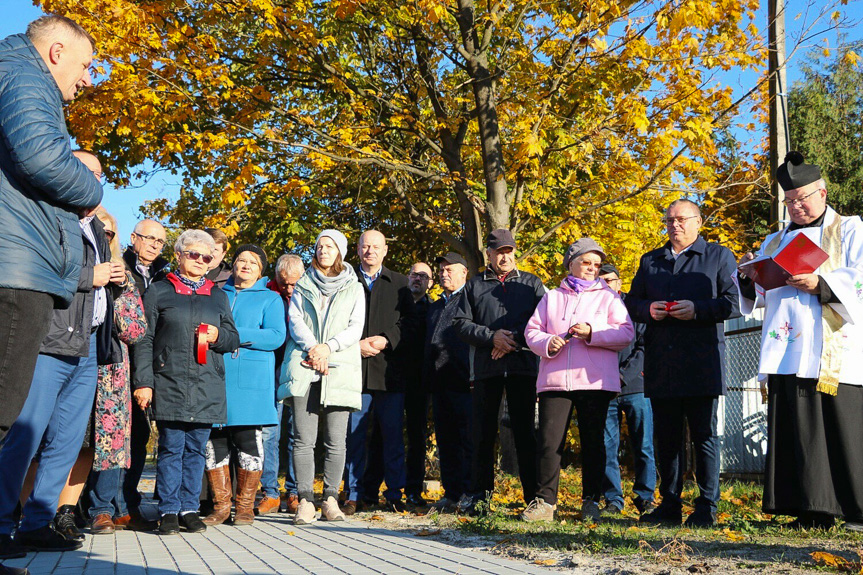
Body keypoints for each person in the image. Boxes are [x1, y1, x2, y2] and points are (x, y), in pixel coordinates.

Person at [0, 160, 122, 556]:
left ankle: (38, 522)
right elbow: (37, 270)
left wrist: (112, 278)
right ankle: (2, 523)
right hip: (48, 341)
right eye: (88, 172)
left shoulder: (97, 230)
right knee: (25, 435)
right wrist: (91, 277)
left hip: (86, 348)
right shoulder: (49, 215)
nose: (96, 180)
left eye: (100, 176)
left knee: (66, 442)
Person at [737, 152, 863, 530]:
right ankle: (811, 510)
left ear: (822, 193)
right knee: (797, 429)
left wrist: (821, 283)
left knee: (839, 428)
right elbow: (760, 294)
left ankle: (856, 510)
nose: (797, 206)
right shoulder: (775, 239)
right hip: (787, 348)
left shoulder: (851, 229)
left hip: (832, 347)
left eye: (803, 198)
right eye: (790, 201)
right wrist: (748, 278)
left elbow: (859, 277)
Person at [0, 13, 102, 470]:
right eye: (84, 67)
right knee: (4, 409)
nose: (86, 81)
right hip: (17, 269)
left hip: (19, 262)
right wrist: (91, 189)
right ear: (56, 53)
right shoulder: (24, 77)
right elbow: (43, 158)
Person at [626, 199, 739, 527]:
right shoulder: (651, 261)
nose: (674, 225)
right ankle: (669, 504)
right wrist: (648, 309)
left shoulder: (718, 256)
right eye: (669, 220)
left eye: (682, 219)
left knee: (704, 434)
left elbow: (734, 303)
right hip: (662, 362)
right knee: (667, 437)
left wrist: (698, 309)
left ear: (699, 222)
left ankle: (707, 506)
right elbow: (631, 302)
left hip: (702, 361)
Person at [133, 230, 240, 535]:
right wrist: (144, 381)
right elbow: (144, 339)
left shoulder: (218, 295)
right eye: (193, 254)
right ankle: (168, 509)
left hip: (207, 384)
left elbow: (233, 338)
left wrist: (219, 336)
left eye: (206, 257)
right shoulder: (159, 291)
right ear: (178, 256)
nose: (199, 260)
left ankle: (189, 507)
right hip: (170, 381)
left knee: (196, 449)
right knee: (171, 448)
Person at [523, 239, 634, 522]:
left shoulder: (610, 297)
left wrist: (592, 332)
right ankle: (544, 503)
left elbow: (625, 334)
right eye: (586, 263)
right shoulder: (552, 297)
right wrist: (549, 342)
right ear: (570, 263)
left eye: (596, 265)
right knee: (549, 443)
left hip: (594, 381)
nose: (592, 269)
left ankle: (591, 501)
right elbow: (531, 332)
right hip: (555, 380)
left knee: (593, 443)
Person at [453, 229, 546, 513]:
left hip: (523, 368)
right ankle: (480, 496)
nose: (504, 256)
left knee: (525, 434)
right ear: (489, 254)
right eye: (499, 252)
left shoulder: (532, 284)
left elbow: (544, 320)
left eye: (509, 251)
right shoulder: (474, 285)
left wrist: (511, 340)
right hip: (486, 370)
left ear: (514, 252)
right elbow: (459, 323)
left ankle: (534, 498)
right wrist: (491, 337)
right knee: (482, 434)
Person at [279, 230, 364, 524]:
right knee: (303, 439)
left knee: (336, 441)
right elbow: (295, 320)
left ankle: (330, 498)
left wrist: (329, 348)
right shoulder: (303, 284)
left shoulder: (354, 287)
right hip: (305, 366)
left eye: (329, 246)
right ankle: (305, 500)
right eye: (319, 246)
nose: (323, 250)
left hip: (339, 366)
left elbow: (356, 327)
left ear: (339, 251)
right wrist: (315, 349)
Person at [203, 245, 286, 527]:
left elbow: (276, 336)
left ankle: (245, 507)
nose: (246, 265)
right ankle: (221, 506)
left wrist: (233, 335)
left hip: (252, 381)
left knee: (249, 441)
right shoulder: (215, 293)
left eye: (253, 262)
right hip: (216, 375)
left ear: (261, 270)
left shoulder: (271, 299)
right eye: (241, 260)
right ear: (233, 264)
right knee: (216, 441)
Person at [343, 230, 414, 514]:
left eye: (375, 246)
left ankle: (395, 494)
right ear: (357, 250)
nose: (370, 251)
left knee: (393, 436)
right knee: (353, 439)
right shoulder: (346, 281)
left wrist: (386, 339)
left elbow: (411, 322)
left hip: (389, 374)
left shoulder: (400, 283)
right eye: (364, 246)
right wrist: (352, 344)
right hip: (353, 372)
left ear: (385, 250)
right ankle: (353, 494)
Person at [87, 207, 148, 535]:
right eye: (98, 230)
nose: (103, 236)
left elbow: (138, 330)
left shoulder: (125, 282)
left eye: (109, 233)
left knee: (111, 439)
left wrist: (116, 307)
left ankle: (102, 508)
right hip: (75, 362)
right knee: (73, 441)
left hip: (112, 372)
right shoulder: (77, 270)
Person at [122, 218, 169, 527]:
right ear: (133, 238)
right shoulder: (117, 265)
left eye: (159, 241)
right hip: (118, 359)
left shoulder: (166, 275)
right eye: (148, 238)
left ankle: (129, 502)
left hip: (154, 364)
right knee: (112, 435)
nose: (153, 245)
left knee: (140, 435)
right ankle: (98, 504)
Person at [598, 263, 655, 517]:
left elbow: (644, 346)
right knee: (606, 447)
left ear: (620, 283)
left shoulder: (634, 307)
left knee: (643, 445)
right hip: (602, 387)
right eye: (601, 280)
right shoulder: (591, 310)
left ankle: (645, 498)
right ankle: (613, 500)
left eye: (610, 280)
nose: (606, 284)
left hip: (635, 387)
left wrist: (623, 376)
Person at [424, 253, 472, 512]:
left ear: (464, 272)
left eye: (449, 269)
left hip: (464, 381)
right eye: (441, 269)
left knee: (467, 440)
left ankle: (468, 492)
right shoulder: (435, 305)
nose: (444, 273)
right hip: (439, 382)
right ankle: (451, 493)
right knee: (446, 441)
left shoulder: (471, 299)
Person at [261, 254, 304, 515]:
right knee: (269, 432)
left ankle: (295, 491)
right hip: (271, 368)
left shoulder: (309, 292)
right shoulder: (266, 292)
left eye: (293, 284)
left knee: (297, 432)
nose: (288, 289)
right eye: (283, 283)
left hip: (298, 367)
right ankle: (270, 491)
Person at [401, 262, 434, 507]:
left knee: (416, 437)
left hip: (420, 382)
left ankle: (413, 490)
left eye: (424, 276)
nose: (418, 279)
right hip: (390, 378)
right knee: (382, 434)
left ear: (430, 283)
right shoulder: (393, 303)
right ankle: (373, 489)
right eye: (414, 274)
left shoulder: (434, 310)